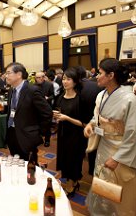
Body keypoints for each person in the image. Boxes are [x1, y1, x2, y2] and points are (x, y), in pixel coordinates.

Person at [84, 58, 136, 216]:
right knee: (103, 186)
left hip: (122, 151)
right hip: (104, 147)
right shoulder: (101, 95)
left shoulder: (131, 100)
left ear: (111, 75)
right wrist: (91, 125)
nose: (97, 76)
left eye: (100, 73)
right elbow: (97, 116)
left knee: (121, 192)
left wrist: (118, 158)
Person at [3, 62, 52, 161]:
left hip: (27, 135)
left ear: (19, 74)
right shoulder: (11, 90)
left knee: (30, 166)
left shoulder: (32, 90)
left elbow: (47, 113)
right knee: (16, 162)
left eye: (8, 73)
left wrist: (39, 133)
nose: (6, 76)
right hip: (12, 133)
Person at [53, 67, 85, 197]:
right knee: (64, 158)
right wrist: (56, 116)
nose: (65, 82)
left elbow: (84, 123)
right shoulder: (60, 97)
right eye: (64, 79)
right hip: (62, 133)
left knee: (74, 159)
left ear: (75, 81)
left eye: (68, 79)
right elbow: (58, 114)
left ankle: (72, 183)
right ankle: (71, 180)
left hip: (76, 135)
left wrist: (67, 118)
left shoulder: (80, 99)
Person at [76, 66, 102, 176]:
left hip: (77, 121)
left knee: (78, 148)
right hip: (93, 120)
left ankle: (77, 171)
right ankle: (92, 169)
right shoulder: (98, 86)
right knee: (92, 146)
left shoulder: (74, 86)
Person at [35, 71, 54, 147]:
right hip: (36, 109)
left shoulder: (49, 85)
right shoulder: (33, 86)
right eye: (36, 78)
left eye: (39, 77)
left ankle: (47, 140)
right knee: (37, 125)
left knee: (47, 126)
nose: (38, 79)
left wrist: (48, 98)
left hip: (46, 109)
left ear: (43, 77)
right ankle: (38, 139)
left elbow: (53, 96)